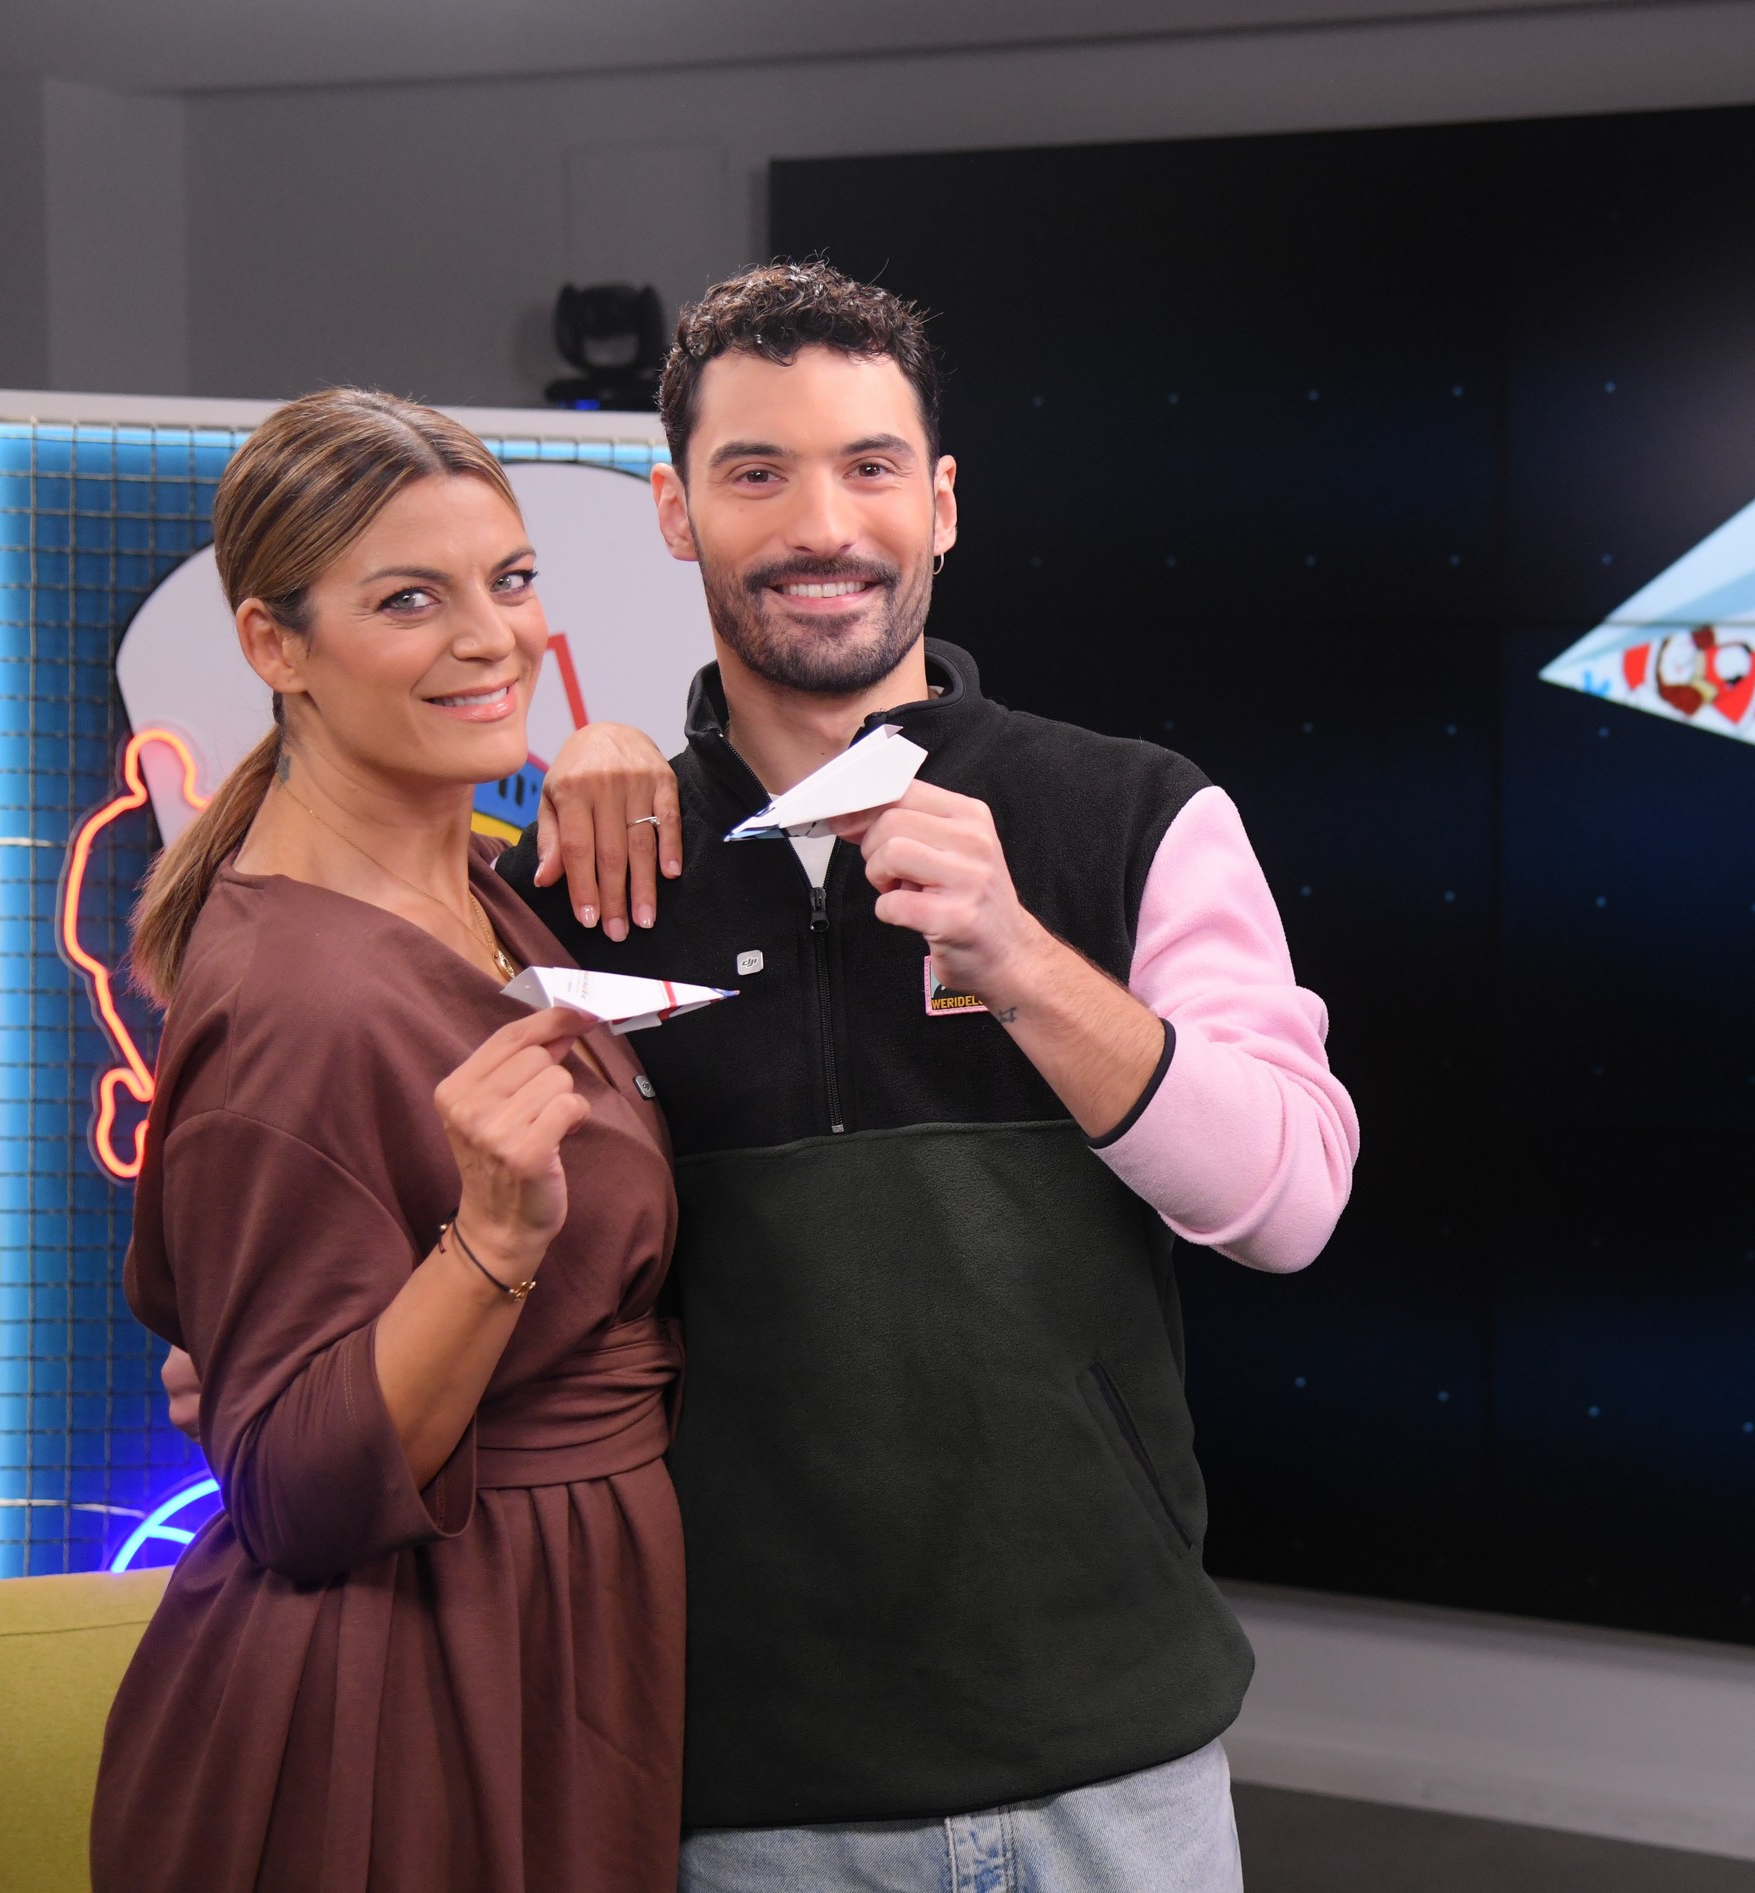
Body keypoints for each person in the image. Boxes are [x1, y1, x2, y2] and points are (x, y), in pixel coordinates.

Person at [504, 262, 1360, 1891]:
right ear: (676, 513)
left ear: (943, 504)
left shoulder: (1137, 812)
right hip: (743, 1788)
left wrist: (1022, 957)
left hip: (1117, 1764)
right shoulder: (586, 873)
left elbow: (1291, 1201)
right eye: (757, 472)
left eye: (870, 466)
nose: (822, 524)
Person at [100, 391, 686, 1892]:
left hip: (542, 1648)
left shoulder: (472, 891)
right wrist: (491, 1241)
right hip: (398, 1709)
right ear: (274, 646)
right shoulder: (296, 998)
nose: (492, 638)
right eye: (409, 600)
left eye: (510, 580)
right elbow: (294, 1491)